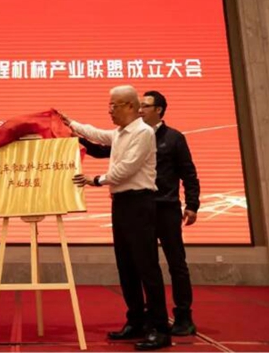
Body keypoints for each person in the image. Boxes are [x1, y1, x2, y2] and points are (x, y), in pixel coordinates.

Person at [79, 90, 200, 336]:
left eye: (145, 106)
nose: (141, 110)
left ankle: (182, 316)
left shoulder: (171, 138)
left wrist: (192, 204)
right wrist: (73, 131)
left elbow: (188, 172)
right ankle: (139, 319)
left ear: (158, 110)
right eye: (140, 105)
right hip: (134, 205)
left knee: (173, 263)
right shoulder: (125, 133)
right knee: (132, 263)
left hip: (163, 206)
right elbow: (102, 146)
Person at [59, 85, 171, 351]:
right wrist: (71, 123)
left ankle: (160, 329)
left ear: (130, 106)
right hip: (121, 204)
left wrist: (96, 180)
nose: (110, 111)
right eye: (109, 105)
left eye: (114, 106)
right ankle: (136, 321)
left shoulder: (143, 133)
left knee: (146, 267)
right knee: (126, 266)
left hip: (140, 203)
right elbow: (98, 134)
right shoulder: (121, 133)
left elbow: (127, 168)